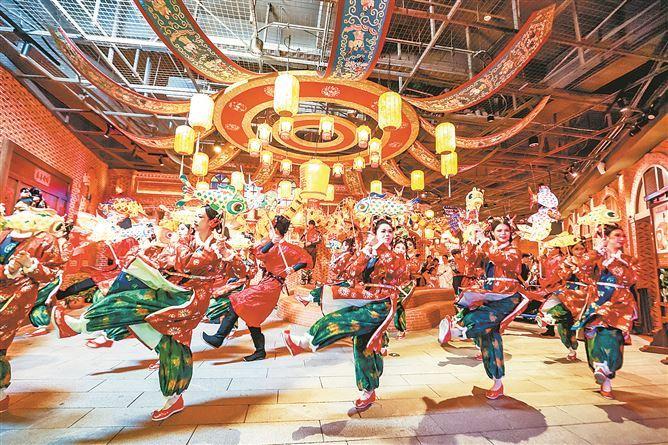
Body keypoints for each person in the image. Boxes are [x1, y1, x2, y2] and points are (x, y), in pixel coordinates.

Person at [53, 205, 229, 421]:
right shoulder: (188, 241)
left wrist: (226, 256)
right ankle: (87, 327)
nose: (194, 220)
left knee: (143, 312)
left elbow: (192, 264)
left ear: (213, 222)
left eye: (199, 216)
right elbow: (167, 259)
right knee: (161, 335)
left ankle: (84, 327)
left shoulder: (217, 246)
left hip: (190, 299)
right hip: (172, 290)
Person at [282, 219, 409, 409]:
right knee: (363, 347)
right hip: (364, 299)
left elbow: (399, 273)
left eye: (389, 231)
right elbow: (351, 274)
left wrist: (380, 248)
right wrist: (365, 254)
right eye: (382, 231)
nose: (387, 234)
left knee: (344, 319)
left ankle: (305, 341)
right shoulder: (369, 254)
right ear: (375, 234)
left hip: (381, 304)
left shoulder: (396, 256)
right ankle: (369, 390)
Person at [438, 217, 529, 399]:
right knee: (490, 338)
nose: (503, 233)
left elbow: (506, 262)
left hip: (507, 296)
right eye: (499, 230)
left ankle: (457, 332)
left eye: (506, 230)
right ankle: (497, 382)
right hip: (488, 294)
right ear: (493, 233)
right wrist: (472, 242)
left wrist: (485, 242)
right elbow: (468, 264)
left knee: (482, 317)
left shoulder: (513, 250)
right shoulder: (487, 250)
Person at [202, 215, 313, 361]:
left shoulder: (290, 248)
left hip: (272, 286)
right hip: (265, 283)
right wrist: (271, 243)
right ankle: (259, 351)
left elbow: (307, 260)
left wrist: (293, 268)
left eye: (271, 230)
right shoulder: (271, 245)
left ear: (276, 230)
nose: (269, 232)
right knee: (251, 316)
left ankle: (219, 337)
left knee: (238, 299)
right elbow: (259, 254)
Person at [0, 207, 65, 412]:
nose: (22, 210)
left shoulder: (45, 240)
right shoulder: (4, 234)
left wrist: (30, 265)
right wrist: (6, 270)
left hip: (16, 294)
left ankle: (0, 393)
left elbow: (52, 273)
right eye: (19, 207)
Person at [575, 224, 639, 399]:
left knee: (612, 336)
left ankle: (606, 371)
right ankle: (601, 371)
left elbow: (633, 279)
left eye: (623, 236)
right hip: (598, 299)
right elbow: (582, 271)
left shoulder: (629, 260)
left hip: (620, 301)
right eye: (617, 235)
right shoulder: (596, 257)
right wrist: (596, 252)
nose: (621, 239)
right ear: (606, 238)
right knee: (595, 335)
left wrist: (616, 262)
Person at [538, 241, 598, 361]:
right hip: (568, 291)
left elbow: (592, 279)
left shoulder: (589, 262)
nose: (579, 251)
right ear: (571, 250)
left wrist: (577, 270)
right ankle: (571, 348)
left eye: (581, 249)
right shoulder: (565, 261)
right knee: (564, 327)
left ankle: (550, 318)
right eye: (576, 249)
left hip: (583, 294)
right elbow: (562, 276)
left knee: (582, 321)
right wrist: (568, 267)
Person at [301, 219, 321, 285]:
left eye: (311, 225)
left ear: (314, 225)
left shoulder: (317, 232)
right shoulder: (306, 232)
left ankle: (310, 279)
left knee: (311, 264)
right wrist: (304, 234)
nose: (310, 226)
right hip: (305, 250)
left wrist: (311, 243)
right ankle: (303, 279)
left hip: (312, 250)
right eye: (309, 224)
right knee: (304, 263)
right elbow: (301, 239)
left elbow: (319, 240)